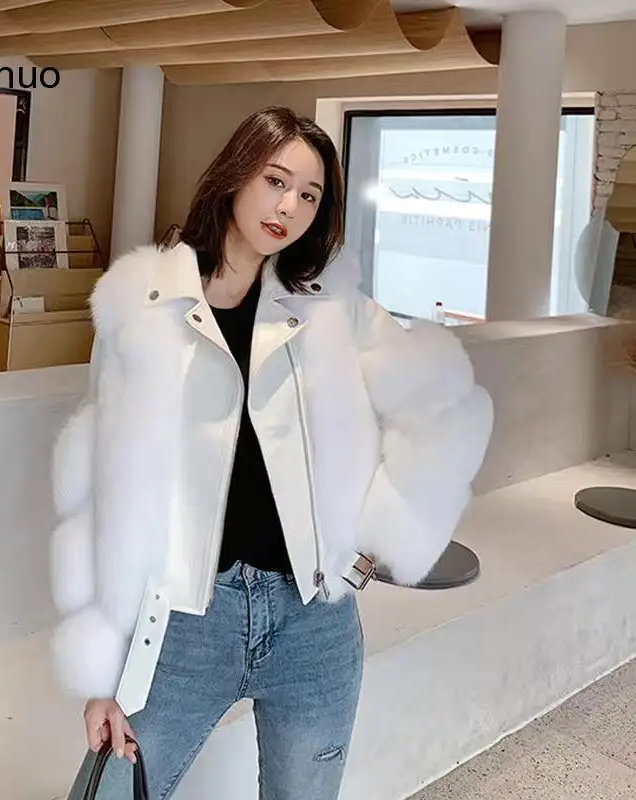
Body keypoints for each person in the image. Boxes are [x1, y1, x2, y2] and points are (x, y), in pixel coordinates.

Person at [49, 106, 494, 799]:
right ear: (235, 174)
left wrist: (374, 543)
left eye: (310, 195)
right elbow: (104, 487)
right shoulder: (142, 303)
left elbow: (444, 407)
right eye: (276, 180)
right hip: (186, 621)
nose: (289, 207)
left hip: (314, 623)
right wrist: (102, 674)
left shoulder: (329, 307)